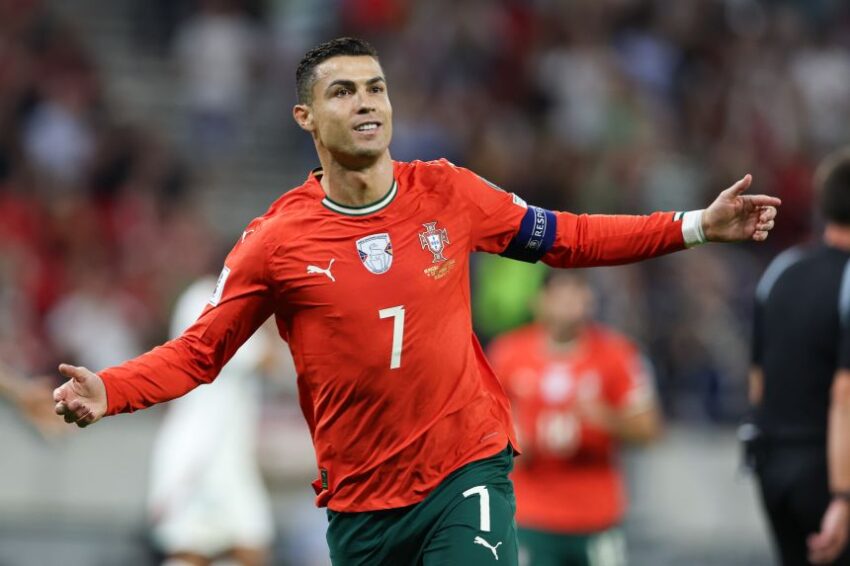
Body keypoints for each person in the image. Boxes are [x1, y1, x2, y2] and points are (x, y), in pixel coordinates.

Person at [53, 37, 779, 565]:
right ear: (305, 117)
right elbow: (201, 352)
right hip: (361, 503)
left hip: (465, 468)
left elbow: (570, 237)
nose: (366, 102)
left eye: (375, 88)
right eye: (343, 92)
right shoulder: (275, 242)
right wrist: (111, 389)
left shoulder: (448, 192)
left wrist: (696, 225)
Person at [489, 269, 661, 566]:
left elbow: (650, 428)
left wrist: (606, 418)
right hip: (531, 513)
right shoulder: (507, 354)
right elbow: (480, 426)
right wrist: (510, 441)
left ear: (590, 299)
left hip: (596, 515)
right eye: (560, 292)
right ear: (538, 301)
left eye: (577, 291)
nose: (568, 301)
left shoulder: (618, 354)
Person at [750, 147, 850, 565]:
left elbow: (758, 382)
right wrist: (843, 496)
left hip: (773, 468)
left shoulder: (781, 270)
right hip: (829, 471)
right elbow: (845, 393)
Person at [147, 275, 276, 566]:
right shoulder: (204, 298)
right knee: (192, 548)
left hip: (227, 451)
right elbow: (265, 357)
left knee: (249, 544)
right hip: (199, 448)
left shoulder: (229, 297)